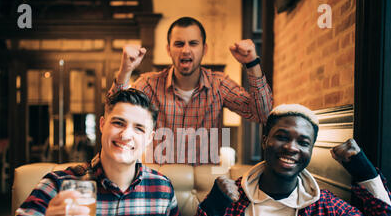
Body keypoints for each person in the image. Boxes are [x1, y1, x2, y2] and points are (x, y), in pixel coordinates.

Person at [176, 104, 391, 216]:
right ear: (265, 141)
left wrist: (366, 173)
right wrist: (212, 210)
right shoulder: (230, 197)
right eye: (282, 137)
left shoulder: (323, 205)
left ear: (310, 151)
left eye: (303, 142)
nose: (292, 147)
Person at [0, 89, 181, 216]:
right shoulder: (58, 185)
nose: (125, 135)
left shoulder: (162, 188)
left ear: (149, 138)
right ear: (102, 124)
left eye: (138, 128)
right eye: (118, 123)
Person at [108, 16, 273, 164]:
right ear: (168, 50)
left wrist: (252, 64)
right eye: (179, 44)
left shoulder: (219, 84)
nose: (186, 50)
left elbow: (263, 114)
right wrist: (125, 71)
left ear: (204, 49)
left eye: (193, 43)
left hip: (205, 183)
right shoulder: (149, 83)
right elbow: (113, 112)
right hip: (161, 181)